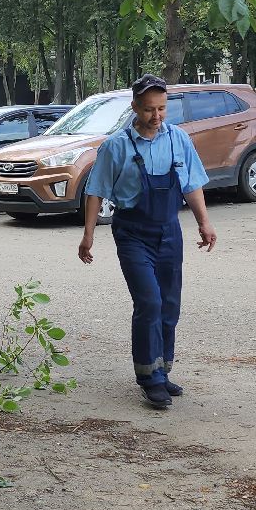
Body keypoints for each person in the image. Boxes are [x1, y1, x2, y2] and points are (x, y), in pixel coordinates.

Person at [77, 74, 216, 410]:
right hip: (132, 233)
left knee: (169, 305)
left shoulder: (179, 140)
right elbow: (96, 191)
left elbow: (191, 184)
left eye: (162, 109)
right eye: (149, 109)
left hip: (170, 232)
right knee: (150, 303)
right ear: (135, 107)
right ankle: (149, 378)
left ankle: (162, 369)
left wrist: (204, 223)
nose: (157, 116)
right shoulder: (116, 146)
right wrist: (89, 235)